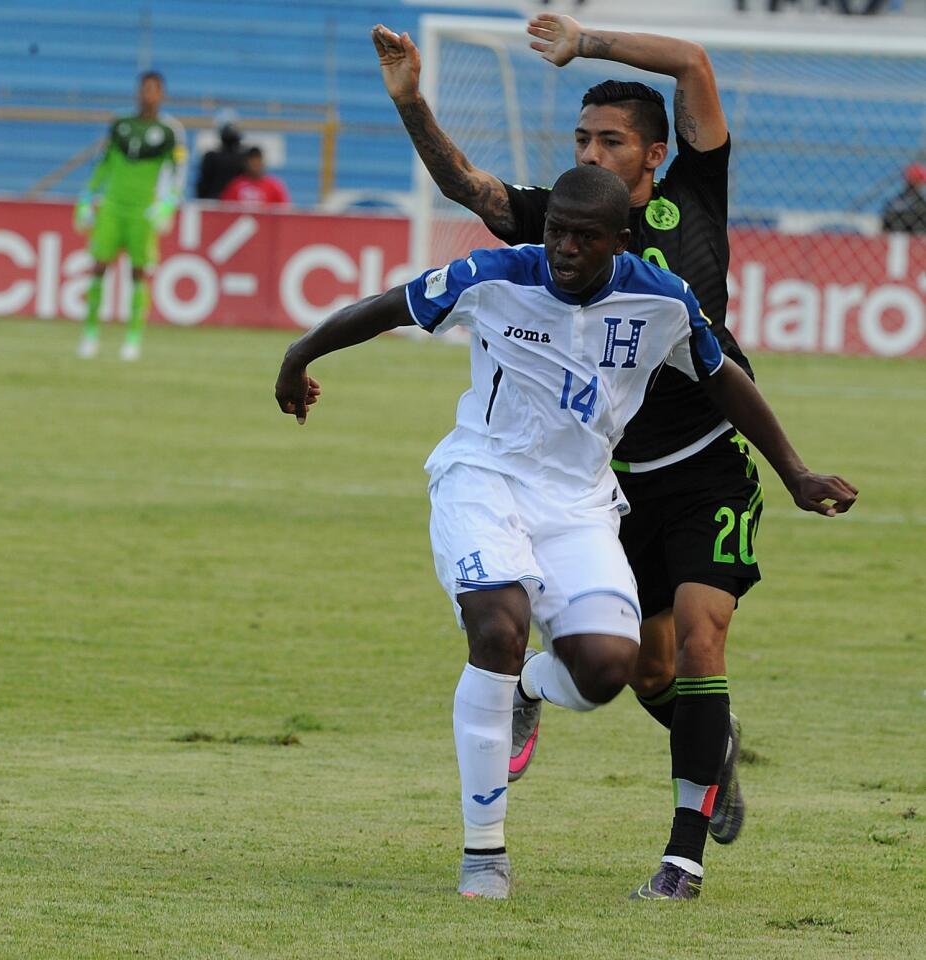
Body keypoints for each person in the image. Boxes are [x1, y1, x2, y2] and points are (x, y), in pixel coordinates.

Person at [274, 164, 856, 901]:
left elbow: (722, 375)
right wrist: (299, 356)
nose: (565, 249)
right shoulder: (496, 275)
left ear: (620, 241)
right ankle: (484, 856)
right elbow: (389, 306)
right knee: (497, 621)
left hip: (581, 503)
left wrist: (796, 472)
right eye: (557, 233)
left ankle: (528, 685)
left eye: (585, 237)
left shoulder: (662, 300)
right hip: (483, 477)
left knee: (610, 670)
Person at [372, 13, 821, 898]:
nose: (590, 150)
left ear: (652, 154)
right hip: (608, 482)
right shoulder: (561, 221)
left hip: (706, 464)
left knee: (701, 640)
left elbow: (692, 62)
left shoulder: (696, 192)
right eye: (579, 137)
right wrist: (413, 106)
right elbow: (469, 187)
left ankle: (680, 860)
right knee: (642, 669)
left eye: (608, 139)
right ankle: (614, 709)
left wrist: (586, 41)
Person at [75, 71, 186, 362]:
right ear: (138, 92)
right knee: (99, 266)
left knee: (138, 273)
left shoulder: (170, 131)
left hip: (142, 210)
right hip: (112, 206)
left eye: (154, 89)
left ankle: (133, 339)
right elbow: (104, 164)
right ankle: (89, 335)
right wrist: (86, 198)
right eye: (144, 88)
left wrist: (166, 206)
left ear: (162, 94)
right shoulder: (120, 124)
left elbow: (178, 175)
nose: (148, 94)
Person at [219, 147, 290, 205]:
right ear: (246, 163)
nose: (255, 165)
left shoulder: (274, 186)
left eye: (258, 161)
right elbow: (225, 208)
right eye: (252, 162)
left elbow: (284, 210)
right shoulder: (236, 185)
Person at [196, 119, 245, 200]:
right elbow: (203, 184)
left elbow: (202, 185)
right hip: (216, 201)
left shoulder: (210, 156)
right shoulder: (211, 156)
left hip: (232, 202)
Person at [881, 162, 926, 233]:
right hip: (916, 240)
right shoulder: (922, 204)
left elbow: (884, 228)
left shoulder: (893, 202)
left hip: (894, 238)